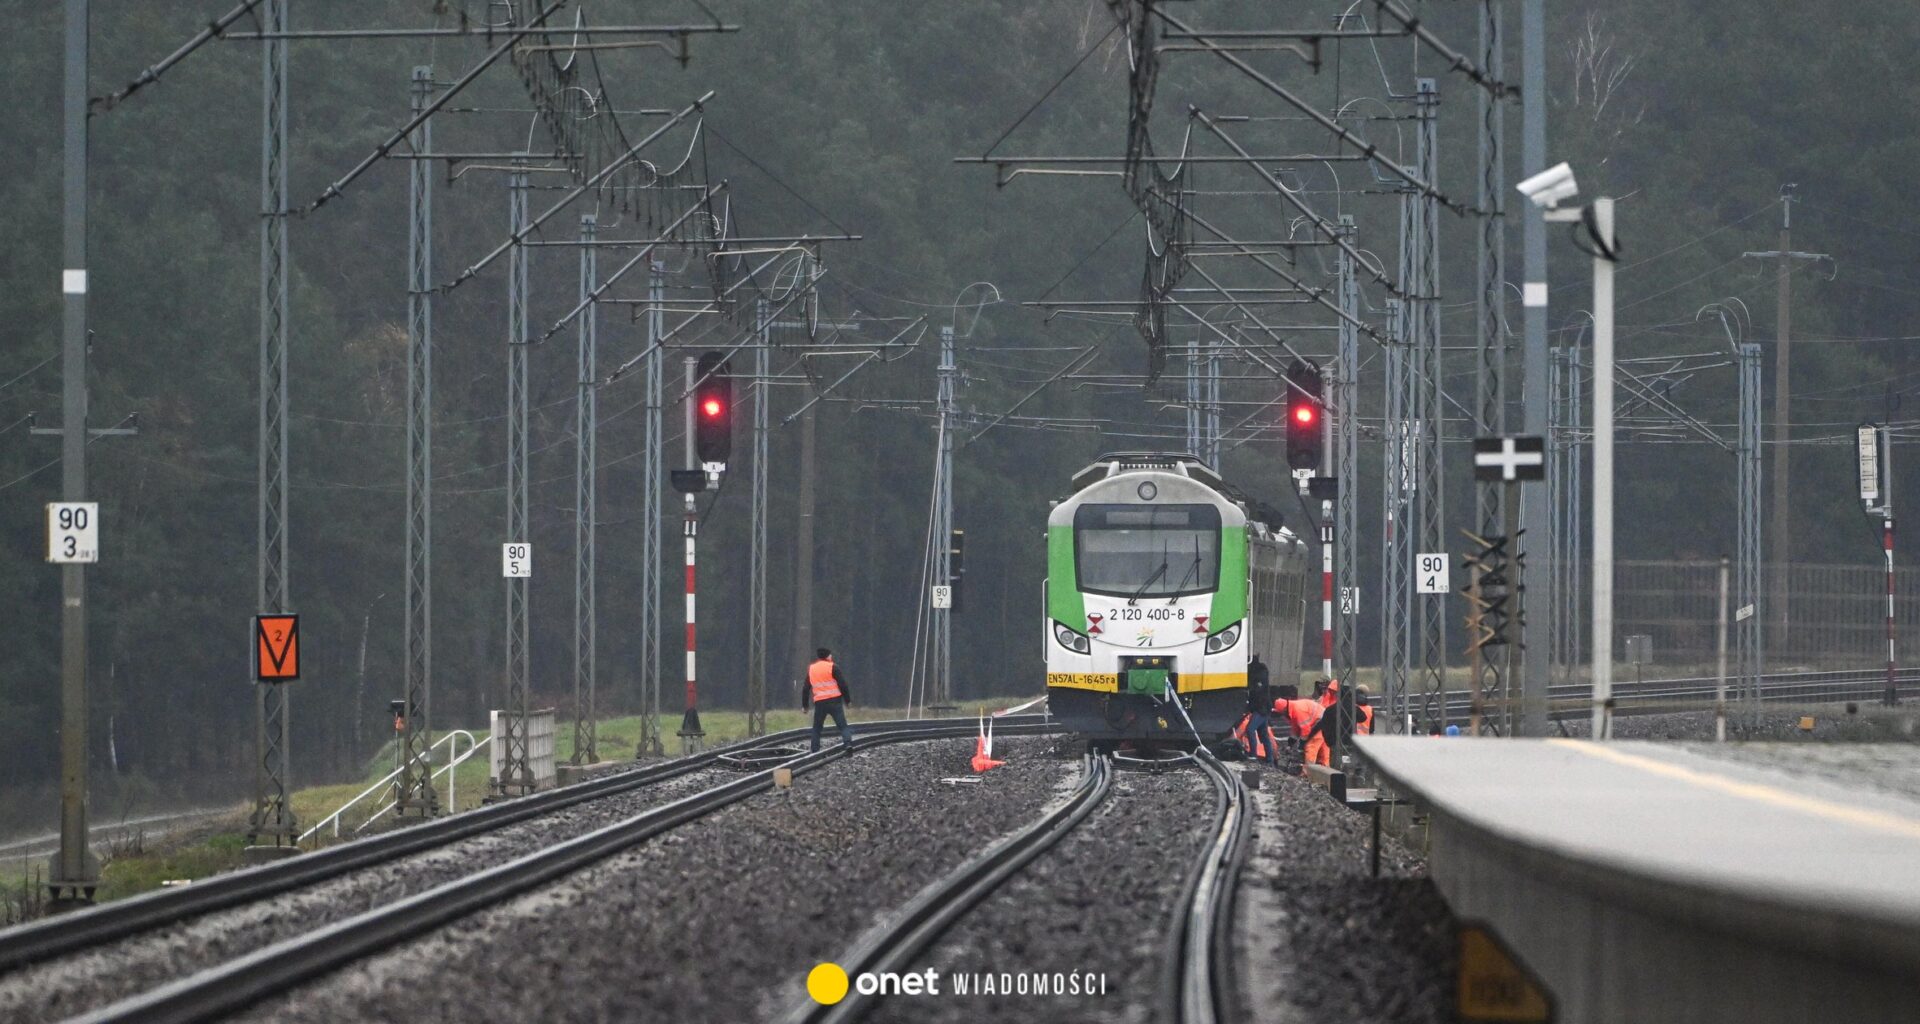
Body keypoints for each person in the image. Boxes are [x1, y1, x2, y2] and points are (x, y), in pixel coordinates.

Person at [803, 647, 854, 753]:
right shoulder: (833, 667)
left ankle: (814, 750)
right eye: (830, 655)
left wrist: (805, 706)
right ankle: (848, 744)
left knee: (817, 728)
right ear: (827, 656)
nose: (832, 657)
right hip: (835, 701)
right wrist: (848, 700)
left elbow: (806, 688)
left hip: (820, 702)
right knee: (842, 725)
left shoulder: (812, 669)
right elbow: (843, 684)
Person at [1244, 655, 1279, 766]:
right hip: (1264, 708)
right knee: (1263, 735)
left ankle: (1253, 755)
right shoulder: (1262, 674)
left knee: (1250, 729)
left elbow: (1257, 693)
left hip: (1261, 709)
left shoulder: (1258, 677)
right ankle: (1270, 759)